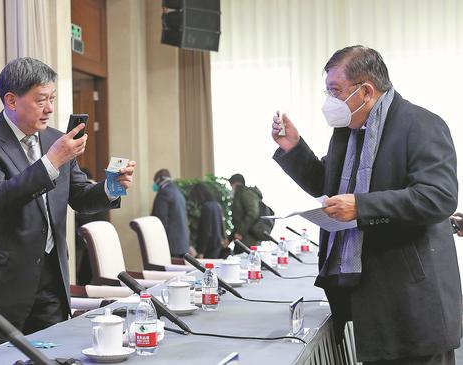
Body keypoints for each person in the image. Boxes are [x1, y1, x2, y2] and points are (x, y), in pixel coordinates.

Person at [271, 45, 460, 364]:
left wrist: (361, 206)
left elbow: (438, 197)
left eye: (335, 91)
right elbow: (329, 187)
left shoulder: (420, 124)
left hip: (412, 298)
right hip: (370, 298)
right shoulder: (347, 133)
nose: (329, 100)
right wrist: (294, 149)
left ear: (365, 91)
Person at [0, 57, 136, 341]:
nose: (50, 108)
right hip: (0, 288)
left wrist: (111, 187)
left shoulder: (56, 138)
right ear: (12, 101)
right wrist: (52, 161)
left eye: (52, 98)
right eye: (41, 100)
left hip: (51, 282)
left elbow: (78, 196)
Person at [151, 169, 189, 257]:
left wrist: (157, 242)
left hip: (170, 244)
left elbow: (160, 219)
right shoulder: (178, 192)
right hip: (181, 244)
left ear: (159, 179)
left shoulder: (164, 193)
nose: (154, 185)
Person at [189, 183, 225, 259]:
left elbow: (206, 231)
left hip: (209, 248)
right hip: (217, 246)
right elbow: (222, 226)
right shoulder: (217, 205)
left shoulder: (206, 207)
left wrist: (201, 251)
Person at [228, 174, 261, 251]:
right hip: (244, 239)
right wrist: (230, 238)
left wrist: (240, 232)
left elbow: (253, 213)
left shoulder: (245, 194)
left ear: (235, 184)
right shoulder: (242, 194)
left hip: (248, 240)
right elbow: (238, 220)